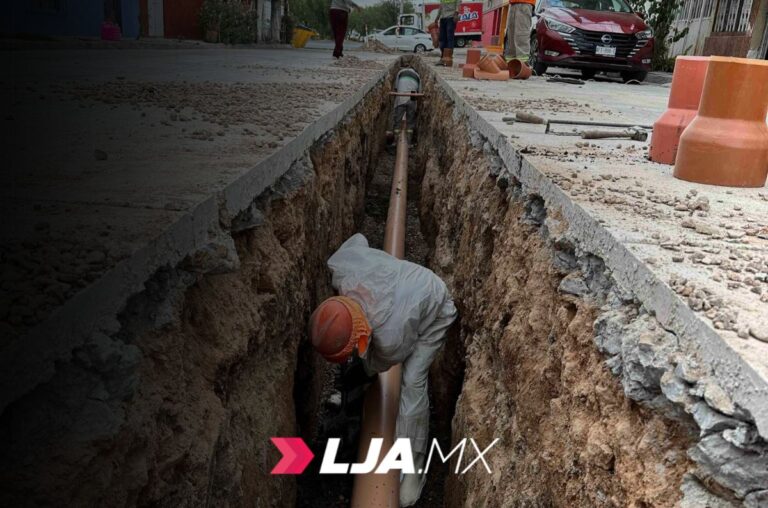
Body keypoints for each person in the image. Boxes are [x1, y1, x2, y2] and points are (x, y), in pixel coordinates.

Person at [309, 234, 457, 506]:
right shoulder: (342, 267)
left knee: (412, 382)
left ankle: (412, 469)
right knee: (360, 368)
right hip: (408, 286)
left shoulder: (390, 340)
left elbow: (377, 365)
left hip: (435, 307)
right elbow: (358, 238)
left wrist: (358, 375)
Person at [391, 68, 420, 146]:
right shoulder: (417, 75)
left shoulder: (400, 72)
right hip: (412, 98)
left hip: (400, 97)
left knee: (397, 120)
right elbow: (419, 90)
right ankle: (409, 142)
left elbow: (396, 87)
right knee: (410, 122)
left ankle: (395, 141)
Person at [436, 0, 460, 67]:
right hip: (443, 19)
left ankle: (448, 59)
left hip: (451, 18)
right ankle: (442, 58)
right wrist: (437, 17)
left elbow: (458, 3)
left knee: (449, 38)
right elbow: (441, 6)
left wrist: (456, 14)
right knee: (442, 39)